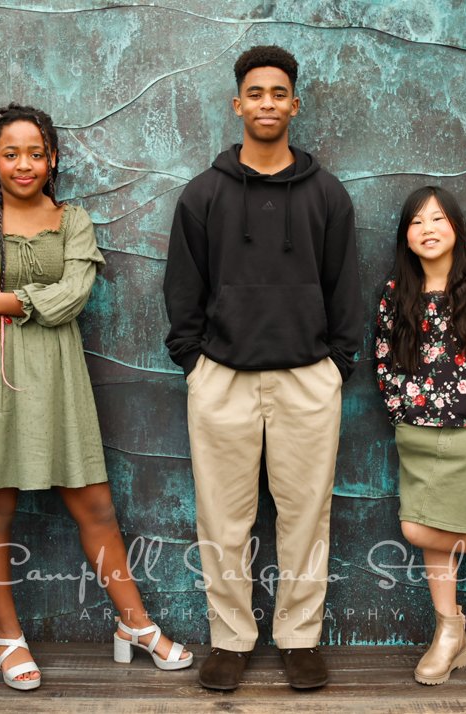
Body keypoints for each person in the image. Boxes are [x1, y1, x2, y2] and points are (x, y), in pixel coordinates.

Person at [0, 102, 191, 691]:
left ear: (52, 159)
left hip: (59, 375)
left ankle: (135, 624)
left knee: (95, 505)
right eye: (12, 153)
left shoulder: (71, 219)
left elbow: (74, 295)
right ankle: (6, 635)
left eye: (37, 153)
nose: (25, 164)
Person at [162, 46, 363, 691]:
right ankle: (230, 638)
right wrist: (194, 363)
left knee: (307, 515)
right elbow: (181, 288)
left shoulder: (327, 195)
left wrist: (336, 365)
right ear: (238, 103)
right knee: (223, 517)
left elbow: (344, 288)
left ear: (294, 104)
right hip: (222, 378)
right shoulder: (205, 194)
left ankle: (300, 638)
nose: (267, 103)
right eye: (256, 93)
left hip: (308, 379)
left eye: (279, 93)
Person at [374, 185, 466, 685]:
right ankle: (450, 634)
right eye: (416, 222)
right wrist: (398, 410)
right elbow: (383, 360)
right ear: (405, 237)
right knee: (430, 535)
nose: (428, 229)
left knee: (420, 529)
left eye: (437, 219)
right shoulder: (396, 295)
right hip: (412, 432)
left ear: (456, 227)